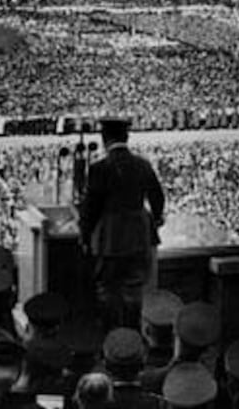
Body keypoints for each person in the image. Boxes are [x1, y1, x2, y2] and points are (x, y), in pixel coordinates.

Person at [78, 118, 164, 331]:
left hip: (111, 238)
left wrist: (85, 235)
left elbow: (91, 207)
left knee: (108, 290)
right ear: (126, 137)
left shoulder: (99, 168)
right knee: (134, 290)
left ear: (104, 139)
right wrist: (155, 219)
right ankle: (132, 338)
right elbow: (158, 197)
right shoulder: (143, 164)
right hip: (139, 236)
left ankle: (112, 340)